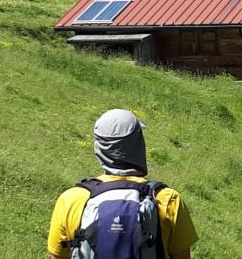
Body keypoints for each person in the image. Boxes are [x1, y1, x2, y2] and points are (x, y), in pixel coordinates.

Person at [46, 109, 197, 259]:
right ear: (138, 145)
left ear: (98, 148)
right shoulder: (167, 199)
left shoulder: (71, 199)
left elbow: (58, 256)